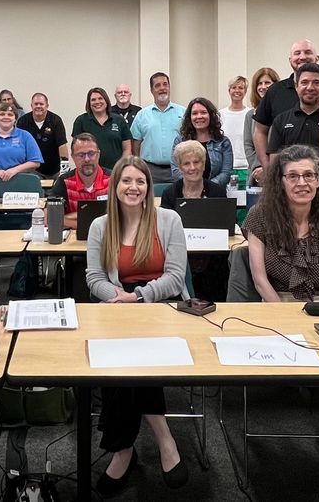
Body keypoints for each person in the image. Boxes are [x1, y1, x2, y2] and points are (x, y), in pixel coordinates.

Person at [85, 156, 189, 496]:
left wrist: (138, 297)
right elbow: (93, 277)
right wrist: (116, 297)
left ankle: (123, 449)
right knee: (122, 359)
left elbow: (175, 277)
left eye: (140, 181)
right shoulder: (101, 226)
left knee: (132, 359)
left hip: (160, 306)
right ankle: (162, 440)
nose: (133, 187)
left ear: (148, 187)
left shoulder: (168, 219)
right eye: (126, 181)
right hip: (116, 307)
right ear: (115, 187)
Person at [242, 144, 319, 301]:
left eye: (308, 175)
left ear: (318, 181)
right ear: (280, 182)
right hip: (274, 305)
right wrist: (288, 319)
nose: (302, 183)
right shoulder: (259, 217)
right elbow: (260, 281)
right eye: (292, 176)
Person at [252, 40, 319, 170]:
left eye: (307, 52)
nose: (302, 57)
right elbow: (260, 131)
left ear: (317, 58)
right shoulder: (275, 91)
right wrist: (269, 169)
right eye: (297, 53)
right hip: (288, 179)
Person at [161, 140, 228, 301]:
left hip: (213, 259)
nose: (192, 168)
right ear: (180, 167)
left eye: (196, 162)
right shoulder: (170, 194)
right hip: (178, 257)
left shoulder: (217, 191)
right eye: (186, 163)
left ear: (204, 164)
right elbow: (163, 230)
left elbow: (225, 226)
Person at [265, 63, 319, 172]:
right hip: (290, 186)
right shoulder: (281, 120)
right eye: (304, 82)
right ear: (296, 86)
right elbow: (274, 163)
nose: (310, 87)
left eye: (316, 82)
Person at [130, 72, 184, 183]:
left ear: (169, 87)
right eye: (157, 85)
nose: (162, 88)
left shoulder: (183, 112)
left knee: (177, 199)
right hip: (150, 170)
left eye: (165, 84)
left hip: (178, 168)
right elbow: (135, 144)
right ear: (151, 90)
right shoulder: (142, 115)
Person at [49, 133, 111, 230]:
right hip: (73, 242)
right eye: (81, 155)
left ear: (98, 154)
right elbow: (49, 217)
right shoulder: (64, 181)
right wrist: (92, 222)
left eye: (91, 154)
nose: (87, 159)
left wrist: (69, 218)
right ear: (73, 157)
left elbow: (124, 217)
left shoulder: (113, 179)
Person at [170, 97, 233, 188]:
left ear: (211, 115)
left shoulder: (223, 142)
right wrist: (194, 186)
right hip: (187, 193)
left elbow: (226, 173)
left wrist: (205, 187)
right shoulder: (180, 141)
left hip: (215, 194)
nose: (199, 116)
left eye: (203, 112)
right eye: (195, 113)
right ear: (189, 117)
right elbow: (176, 171)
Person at [0, 102, 42, 186]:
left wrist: (14, 170)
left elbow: (35, 162)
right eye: (2, 114)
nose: (6, 117)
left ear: (15, 119)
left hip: (20, 186)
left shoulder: (25, 136)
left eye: (10, 115)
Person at [72, 87, 132, 171]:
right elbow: (76, 149)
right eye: (93, 100)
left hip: (116, 171)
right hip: (91, 171)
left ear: (106, 101)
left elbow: (127, 149)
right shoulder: (81, 121)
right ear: (89, 103)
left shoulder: (119, 120)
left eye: (100, 98)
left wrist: (121, 167)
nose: (97, 102)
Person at [16, 92, 67, 179]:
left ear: (47, 105)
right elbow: (18, 146)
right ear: (31, 106)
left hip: (53, 170)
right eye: (36, 104)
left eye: (41, 104)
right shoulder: (23, 121)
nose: (38, 106)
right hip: (31, 171)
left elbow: (62, 145)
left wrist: (65, 169)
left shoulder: (56, 121)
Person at [244, 67, 280, 175]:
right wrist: (258, 166)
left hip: (279, 171)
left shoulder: (283, 114)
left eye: (267, 83)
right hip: (256, 174)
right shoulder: (250, 115)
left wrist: (269, 168)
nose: (263, 87)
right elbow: (248, 145)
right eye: (259, 83)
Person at [220, 76, 251, 188]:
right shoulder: (220, 115)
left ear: (245, 91)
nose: (237, 90)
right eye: (234, 87)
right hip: (226, 168)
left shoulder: (251, 114)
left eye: (241, 88)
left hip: (246, 168)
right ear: (229, 91)